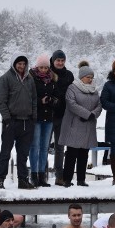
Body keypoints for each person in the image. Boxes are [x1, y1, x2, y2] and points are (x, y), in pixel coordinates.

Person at [0, 55, 37, 190]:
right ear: (14, 64)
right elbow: (1, 101)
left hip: (27, 121)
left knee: (23, 153)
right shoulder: (5, 79)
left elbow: (34, 99)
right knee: (6, 152)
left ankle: (23, 180)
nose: (21, 66)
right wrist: (7, 118)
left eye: (24, 64)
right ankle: (0, 179)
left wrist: (33, 117)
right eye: (19, 63)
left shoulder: (30, 79)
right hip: (11, 121)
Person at [58, 61, 102, 187]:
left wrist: (93, 114)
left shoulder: (94, 90)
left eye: (91, 77)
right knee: (71, 153)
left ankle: (81, 179)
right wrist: (87, 114)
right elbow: (71, 104)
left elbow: (99, 105)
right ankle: (67, 179)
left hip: (88, 126)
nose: (90, 79)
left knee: (84, 154)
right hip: (75, 125)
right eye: (88, 77)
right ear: (82, 77)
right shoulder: (73, 88)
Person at [29, 53, 61, 187]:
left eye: (45, 68)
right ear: (37, 67)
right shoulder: (31, 79)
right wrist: (40, 101)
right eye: (41, 67)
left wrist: (53, 100)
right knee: (34, 146)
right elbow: (29, 97)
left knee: (44, 148)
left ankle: (42, 175)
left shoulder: (53, 80)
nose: (43, 70)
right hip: (36, 116)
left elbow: (57, 96)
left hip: (49, 117)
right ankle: (34, 174)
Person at [49, 50, 75, 186]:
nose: (60, 63)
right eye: (57, 60)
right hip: (47, 115)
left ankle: (59, 176)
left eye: (62, 60)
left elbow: (72, 93)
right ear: (53, 61)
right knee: (42, 147)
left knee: (60, 147)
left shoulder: (69, 75)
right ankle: (40, 175)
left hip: (63, 115)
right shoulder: (47, 73)